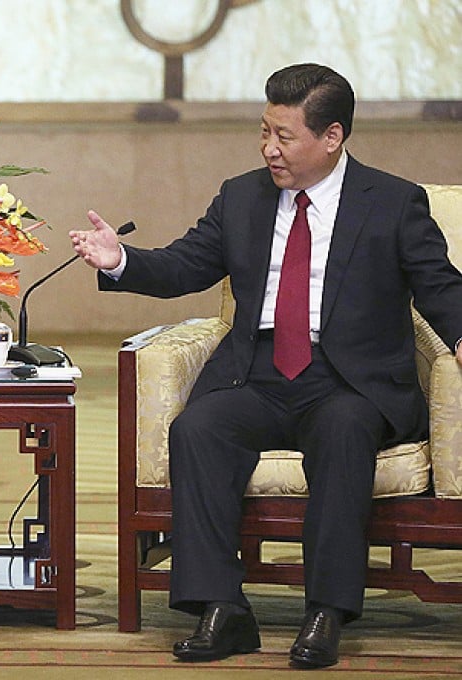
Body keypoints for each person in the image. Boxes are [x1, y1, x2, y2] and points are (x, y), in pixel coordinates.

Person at [70, 63, 462, 669]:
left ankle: (325, 611)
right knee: (197, 429)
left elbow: (439, 286)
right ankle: (222, 609)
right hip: (256, 374)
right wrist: (121, 260)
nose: (269, 149)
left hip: (347, 381)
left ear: (332, 137)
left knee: (344, 430)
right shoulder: (241, 195)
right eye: (264, 132)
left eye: (284, 136)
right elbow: (186, 265)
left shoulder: (391, 202)